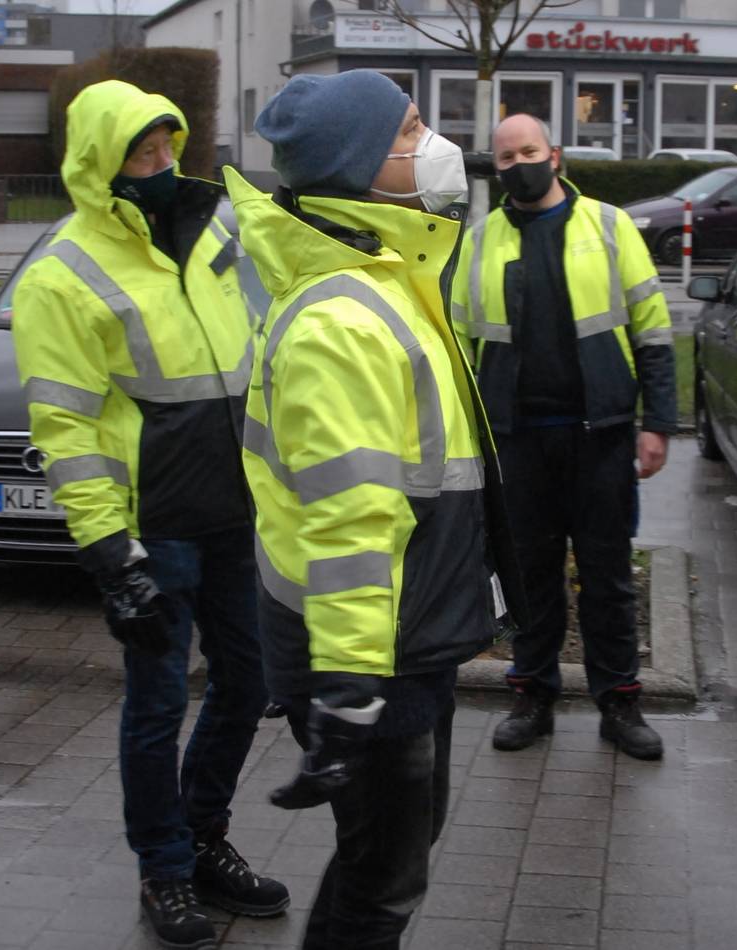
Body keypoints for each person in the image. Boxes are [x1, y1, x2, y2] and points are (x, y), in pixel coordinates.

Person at [223, 69, 524, 950]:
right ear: (360, 169)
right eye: (411, 129)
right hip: (373, 648)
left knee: (390, 858)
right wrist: (350, 687)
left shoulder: (385, 281)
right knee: (383, 877)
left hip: (402, 631)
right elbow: (350, 519)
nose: (435, 144)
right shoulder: (343, 318)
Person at [11, 80, 289, 950]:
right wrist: (110, 555)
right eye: (143, 151)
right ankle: (163, 870)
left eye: (170, 144)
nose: (165, 162)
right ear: (102, 162)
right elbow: (65, 425)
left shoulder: (215, 226)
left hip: (235, 514)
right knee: (157, 704)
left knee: (249, 684)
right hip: (155, 530)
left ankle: (204, 835)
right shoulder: (64, 272)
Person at [452, 113, 677, 761]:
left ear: (555, 155)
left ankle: (620, 703)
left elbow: (654, 332)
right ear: (494, 167)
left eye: (529, 150)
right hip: (517, 440)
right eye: (505, 155)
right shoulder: (481, 240)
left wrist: (658, 424)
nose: (518, 162)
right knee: (531, 578)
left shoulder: (609, 227)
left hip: (599, 436)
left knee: (607, 577)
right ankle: (532, 696)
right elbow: (463, 346)